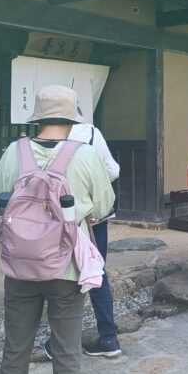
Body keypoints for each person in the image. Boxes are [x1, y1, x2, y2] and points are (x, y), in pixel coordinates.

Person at [0, 85, 115, 374]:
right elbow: (104, 205)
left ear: (39, 118)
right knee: (66, 350)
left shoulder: (14, 151)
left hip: (19, 263)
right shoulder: (85, 154)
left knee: (15, 349)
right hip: (66, 267)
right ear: (72, 120)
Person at [44, 120, 122, 359]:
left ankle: (59, 341)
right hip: (92, 218)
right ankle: (108, 337)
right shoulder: (92, 133)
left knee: (62, 273)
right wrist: (92, 194)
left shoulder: (46, 138)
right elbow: (113, 170)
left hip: (57, 220)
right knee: (96, 271)